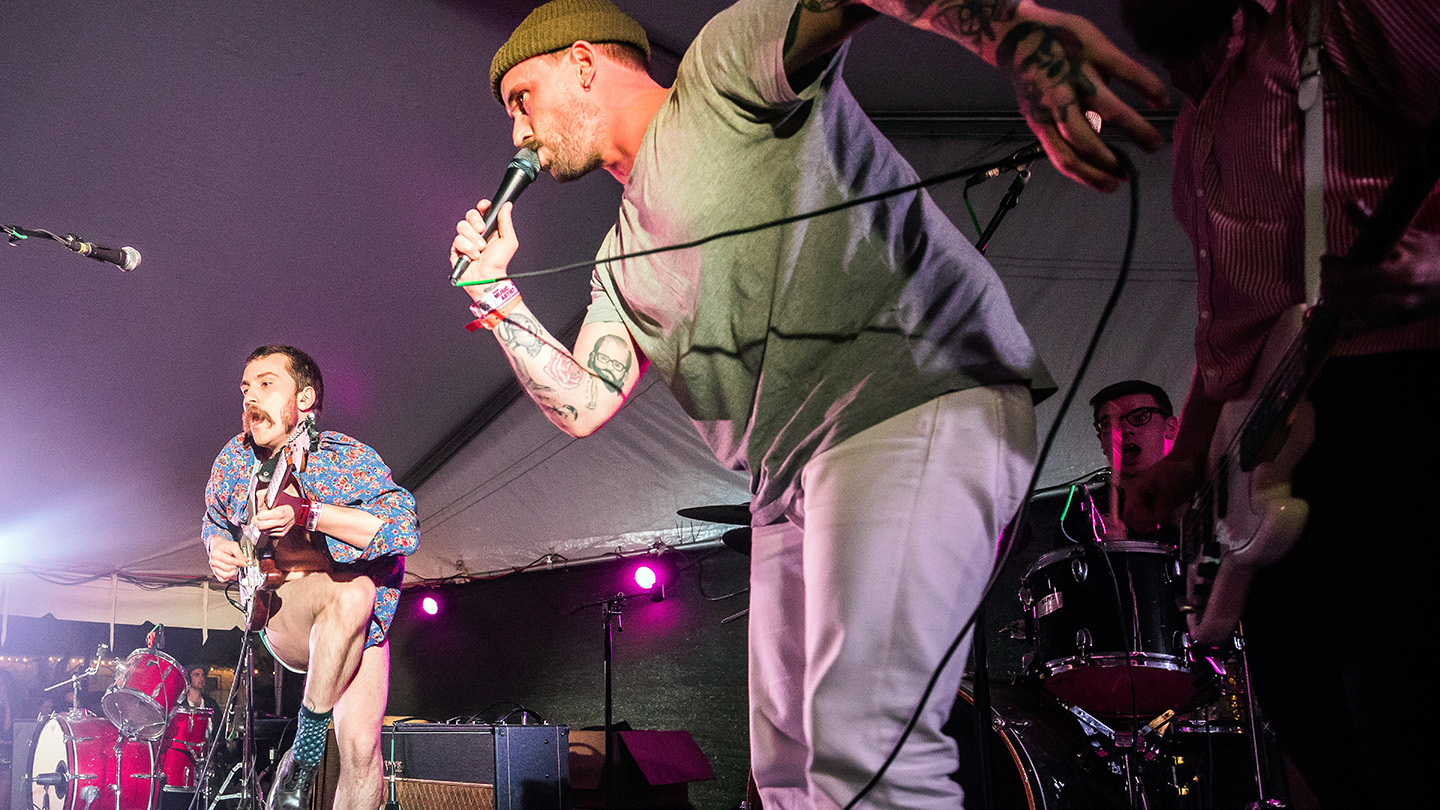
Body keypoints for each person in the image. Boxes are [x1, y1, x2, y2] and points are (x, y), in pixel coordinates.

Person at [452, 2, 1165, 807]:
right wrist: (498, 301)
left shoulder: (718, 76)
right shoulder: (619, 258)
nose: (518, 133)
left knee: (867, 750)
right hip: (788, 481)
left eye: (522, 97)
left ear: (583, 62)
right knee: (787, 773)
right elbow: (582, 403)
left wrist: (1018, 35)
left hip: (910, 397)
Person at [1099, 1, 1440, 807]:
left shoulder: (1344, 19)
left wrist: (1432, 266)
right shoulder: (1196, 125)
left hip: (1394, 404)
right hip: (1278, 445)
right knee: (1314, 726)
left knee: (1402, 716)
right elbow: (1235, 334)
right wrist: (1189, 456)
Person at [203, 346, 419, 810]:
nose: (249, 398)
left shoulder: (346, 458)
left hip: (362, 622)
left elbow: (403, 526)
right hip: (286, 606)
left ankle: (301, 761)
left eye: (265, 384)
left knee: (362, 752)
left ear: (303, 399)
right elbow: (214, 521)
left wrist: (308, 513)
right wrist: (216, 549)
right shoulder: (234, 460)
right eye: (245, 388)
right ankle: (304, 754)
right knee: (354, 591)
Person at [1063, 379, 1180, 544]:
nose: (1124, 430)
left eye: (1140, 417)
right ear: (1102, 441)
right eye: (1109, 424)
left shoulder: (1196, 491)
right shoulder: (1081, 513)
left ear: (1171, 428)